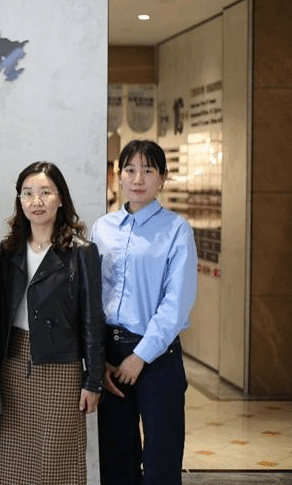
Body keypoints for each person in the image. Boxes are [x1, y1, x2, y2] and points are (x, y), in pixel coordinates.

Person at [0, 161, 104, 485]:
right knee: (12, 457)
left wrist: (93, 380)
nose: (36, 201)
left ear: (60, 198)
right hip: (14, 362)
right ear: (20, 200)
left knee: (58, 458)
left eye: (45, 192)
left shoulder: (81, 252)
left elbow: (92, 319)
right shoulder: (9, 249)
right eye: (28, 193)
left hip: (61, 366)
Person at [92, 140, 197, 485]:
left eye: (148, 170)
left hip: (158, 357)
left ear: (163, 177)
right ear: (118, 175)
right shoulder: (102, 228)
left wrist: (140, 356)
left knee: (161, 464)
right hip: (110, 357)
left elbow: (177, 302)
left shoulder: (176, 229)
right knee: (116, 461)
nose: (138, 179)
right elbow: (91, 297)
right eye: (130, 169)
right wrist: (99, 358)